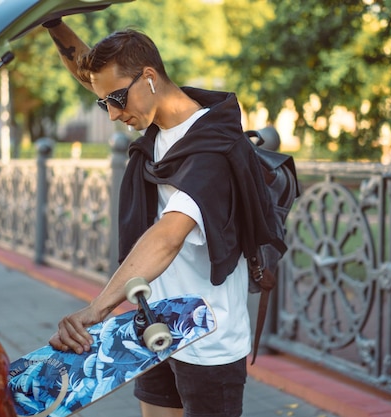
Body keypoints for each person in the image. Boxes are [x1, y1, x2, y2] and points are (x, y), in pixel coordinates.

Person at [43, 18, 282, 417]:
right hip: (157, 323)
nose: (113, 115)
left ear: (150, 77)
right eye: (105, 104)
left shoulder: (213, 149)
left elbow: (167, 236)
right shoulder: (155, 122)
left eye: (116, 100)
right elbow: (92, 74)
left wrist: (97, 310)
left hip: (208, 340)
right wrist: (51, 21)